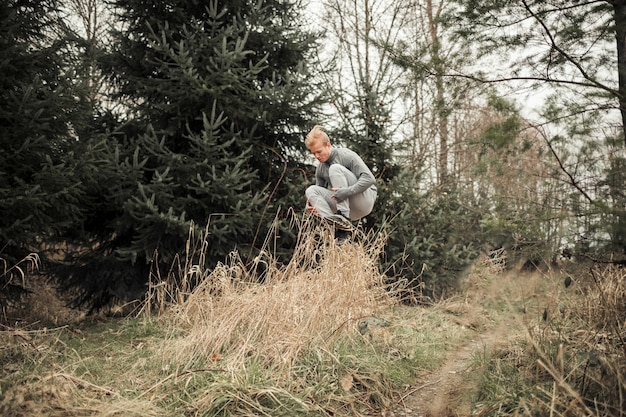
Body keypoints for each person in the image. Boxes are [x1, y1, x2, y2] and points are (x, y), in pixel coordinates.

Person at [304, 125, 377, 243]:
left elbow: (369, 179)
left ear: (328, 145)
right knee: (311, 190)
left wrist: (346, 192)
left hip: (365, 200)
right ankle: (335, 225)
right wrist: (312, 205)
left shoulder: (346, 155)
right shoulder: (320, 169)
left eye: (319, 151)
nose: (317, 156)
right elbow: (319, 194)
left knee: (335, 169)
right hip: (347, 206)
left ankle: (343, 218)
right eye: (314, 154)